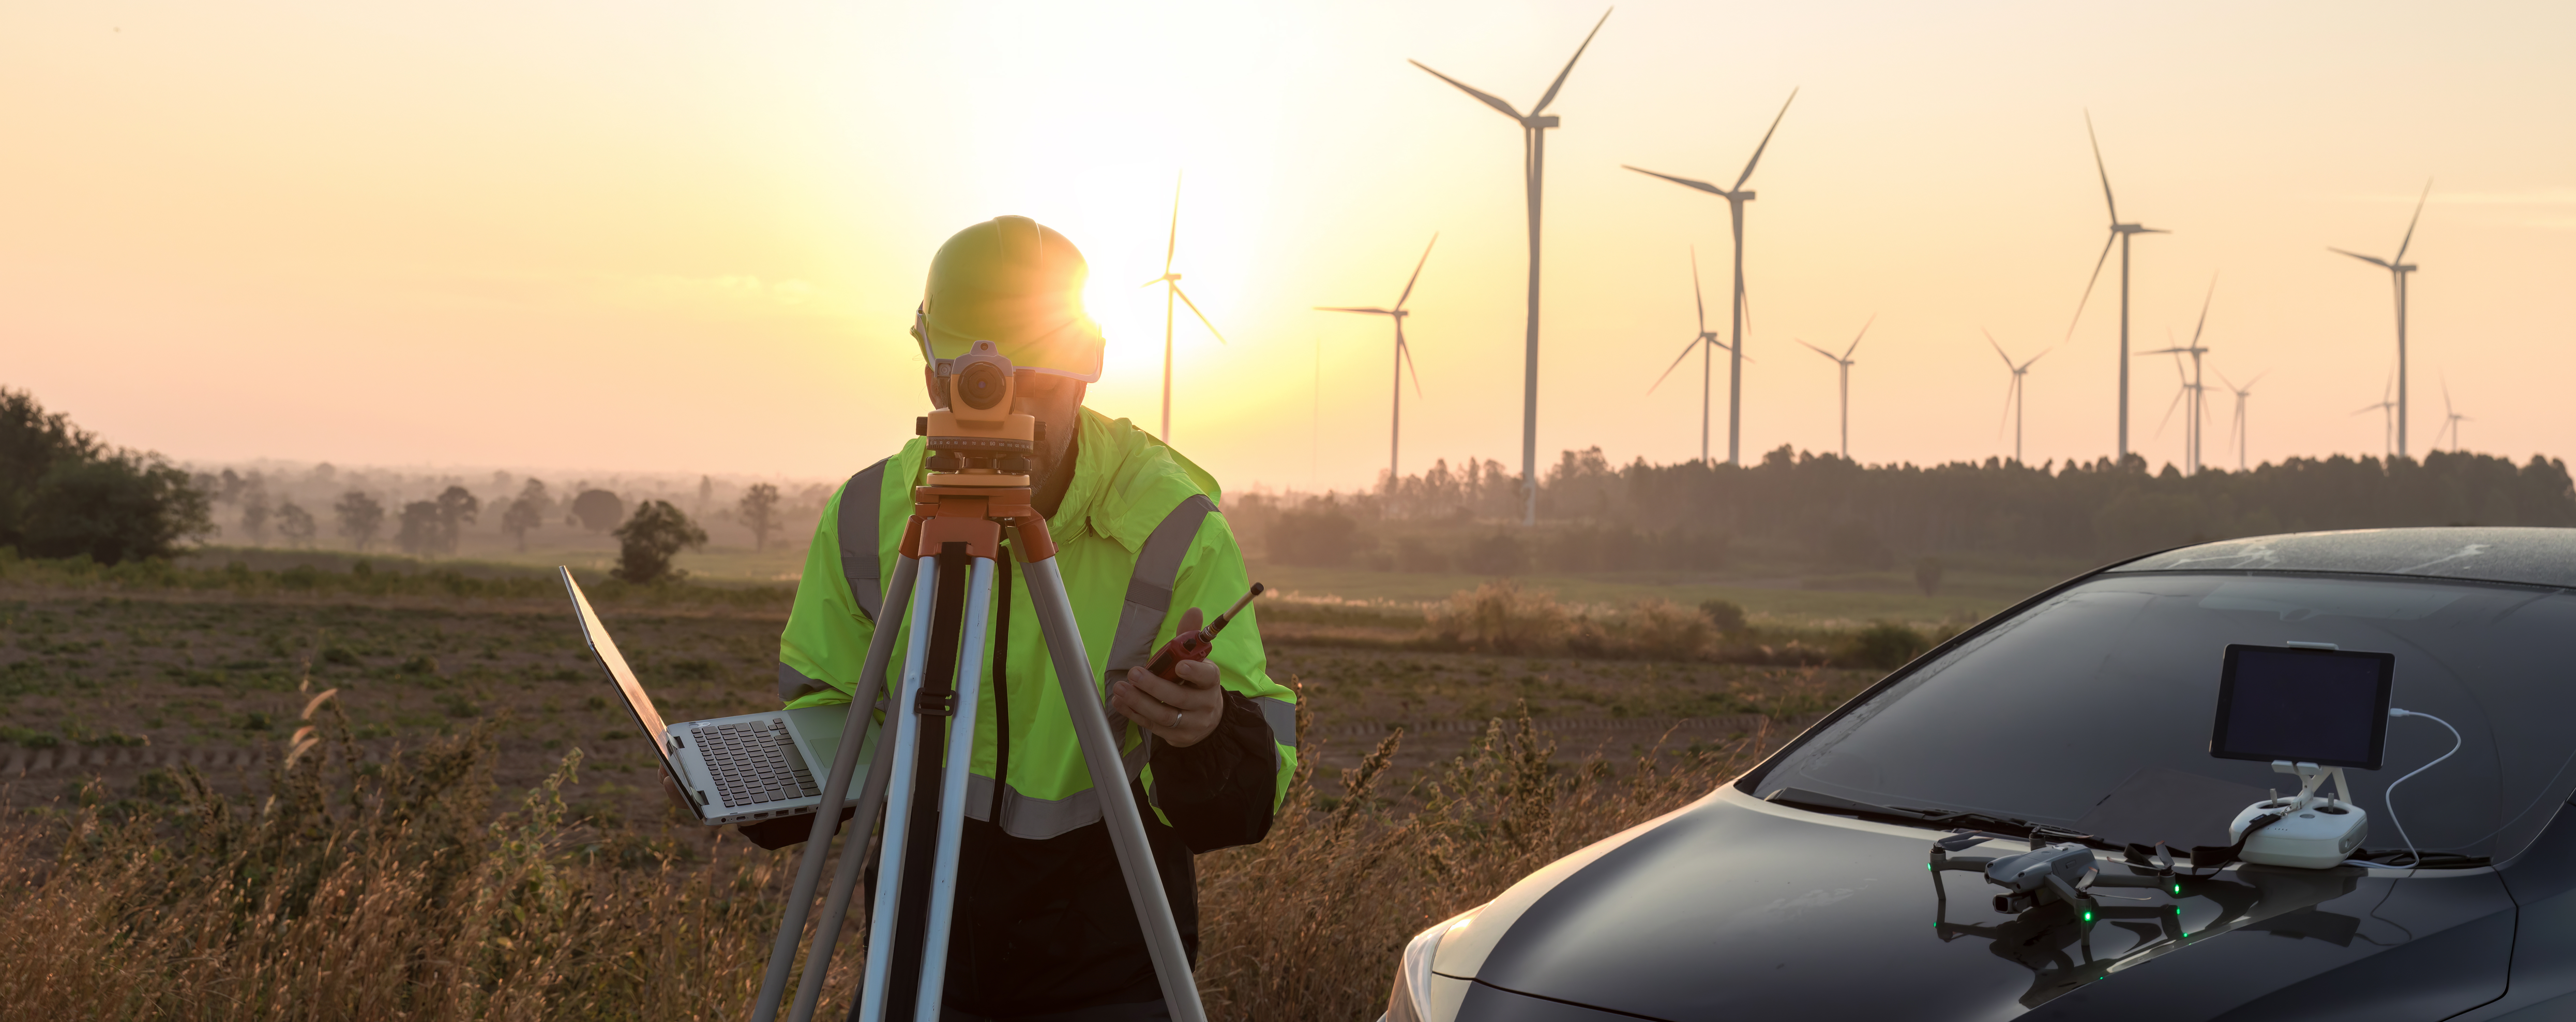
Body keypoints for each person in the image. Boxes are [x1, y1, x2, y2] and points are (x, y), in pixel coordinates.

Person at [766, 215, 1297, 1022]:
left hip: (1109, 952)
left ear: (1086, 377)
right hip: (925, 944)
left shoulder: (1170, 525)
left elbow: (1241, 806)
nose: (1011, 415)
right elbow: (825, 708)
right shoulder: (869, 514)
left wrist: (1207, 733)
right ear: (931, 373)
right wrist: (746, 784)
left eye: (1037, 385)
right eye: (977, 384)